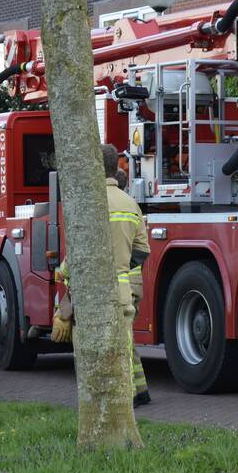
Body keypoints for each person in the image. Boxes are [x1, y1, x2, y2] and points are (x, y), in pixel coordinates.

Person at [52, 144, 152, 407]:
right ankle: (128, 398)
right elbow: (143, 250)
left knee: (93, 349)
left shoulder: (87, 203)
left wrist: (63, 274)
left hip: (92, 293)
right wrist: (121, 266)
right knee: (123, 345)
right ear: (116, 168)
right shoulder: (131, 204)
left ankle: (101, 403)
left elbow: (77, 252)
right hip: (122, 290)